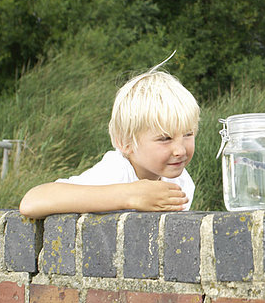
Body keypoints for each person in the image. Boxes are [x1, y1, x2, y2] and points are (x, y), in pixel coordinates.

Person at [20, 54, 200, 219]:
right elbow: (32, 201)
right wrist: (130, 195)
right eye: (165, 139)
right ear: (125, 142)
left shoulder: (181, 181)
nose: (180, 150)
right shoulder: (117, 171)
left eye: (188, 134)